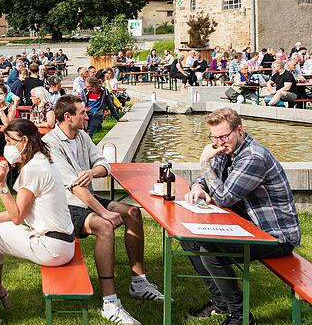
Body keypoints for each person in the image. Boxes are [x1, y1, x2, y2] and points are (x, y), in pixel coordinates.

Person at [43, 95, 162, 324]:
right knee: (105, 226)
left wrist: (92, 172)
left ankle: (139, 281)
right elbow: (75, 187)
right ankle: (110, 302)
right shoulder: (51, 143)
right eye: (82, 113)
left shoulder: (82, 136)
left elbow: (103, 163)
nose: (87, 116)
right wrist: (104, 212)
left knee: (133, 213)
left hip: (86, 197)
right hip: (64, 204)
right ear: (68, 117)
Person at [183, 108, 300, 324]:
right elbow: (206, 179)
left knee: (210, 250)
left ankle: (240, 315)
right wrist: (198, 186)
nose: (218, 142)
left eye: (223, 136)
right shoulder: (227, 150)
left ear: (239, 130)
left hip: (275, 237)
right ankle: (220, 302)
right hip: (250, 227)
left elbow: (225, 197)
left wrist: (204, 163)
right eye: (214, 137)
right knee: (190, 240)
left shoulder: (253, 156)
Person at [0, 119, 75, 325]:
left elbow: (16, 217)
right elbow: (20, 213)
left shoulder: (33, 169)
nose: (6, 146)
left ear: (24, 140)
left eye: (9, 141)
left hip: (52, 247)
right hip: (62, 243)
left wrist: (1, 184)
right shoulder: (43, 161)